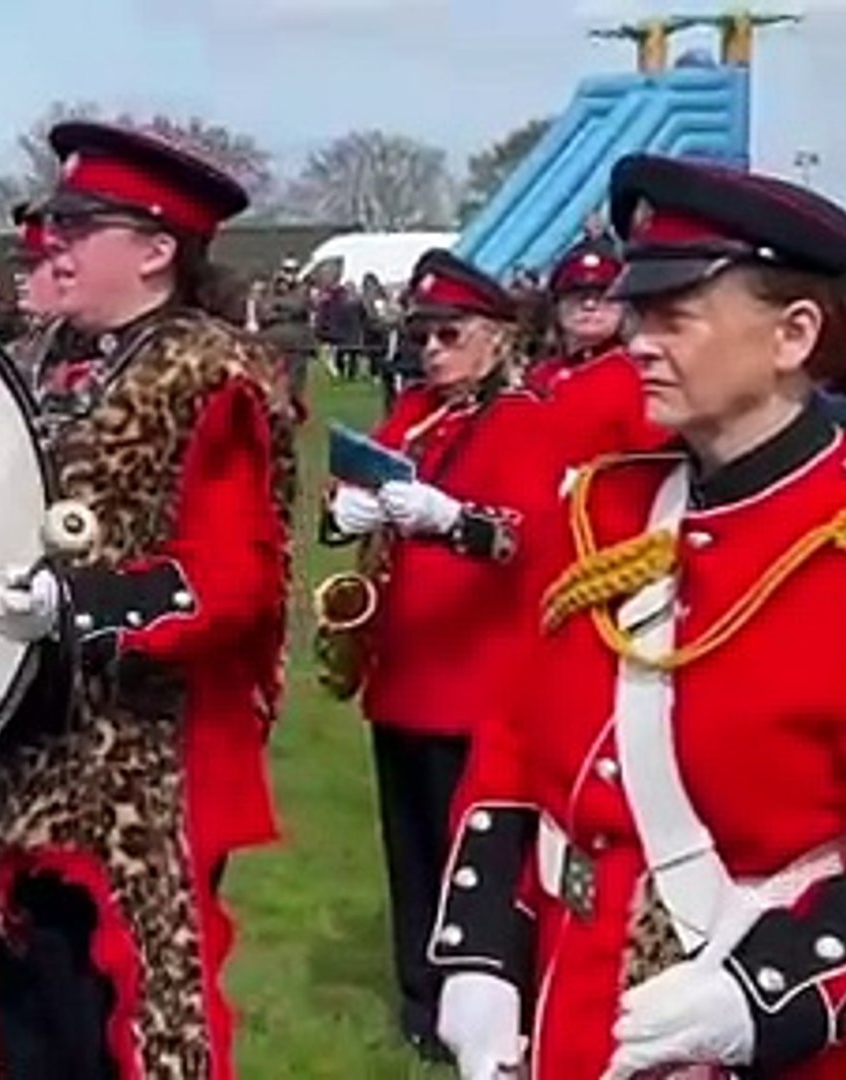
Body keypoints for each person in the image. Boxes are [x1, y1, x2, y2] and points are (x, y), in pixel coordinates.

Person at [429, 153, 846, 1080]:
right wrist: (483, 953)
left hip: (793, 1043)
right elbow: (517, 739)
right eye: (638, 314)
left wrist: (761, 996)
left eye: (675, 316)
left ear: (792, 334)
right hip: (580, 1007)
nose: (639, 341)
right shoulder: (606, 509)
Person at [0, 120, 298, 1080]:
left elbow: (237, 579)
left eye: (82, 227)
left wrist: (80, 607)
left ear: (158, 251)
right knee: (30, 1022)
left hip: (135, 759)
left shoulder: (212, 372)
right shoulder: (39, 359)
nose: (54, 245)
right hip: (14, 743)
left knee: (119, 1027)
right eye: (56, 223)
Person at [322, 249, 562, 1064]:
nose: (430, 349)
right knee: (412, 848)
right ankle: (420, 1002)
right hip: (406, 672)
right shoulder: (418, 413)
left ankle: (489, 1003)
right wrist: (346, 510)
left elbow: (527, 538)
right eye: (422, 333)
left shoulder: (526, 419)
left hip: (480, 680)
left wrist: (450, 518)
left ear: (496, 339)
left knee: (480, 861)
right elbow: (356, 481)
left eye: (448, 333)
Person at [524, 237, 661, 467]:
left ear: (624, 306)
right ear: (557, 306)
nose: (589, 305)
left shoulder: (641, 376)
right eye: (576, 295)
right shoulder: (538, 376)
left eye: (603, 296)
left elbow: (655, 466)